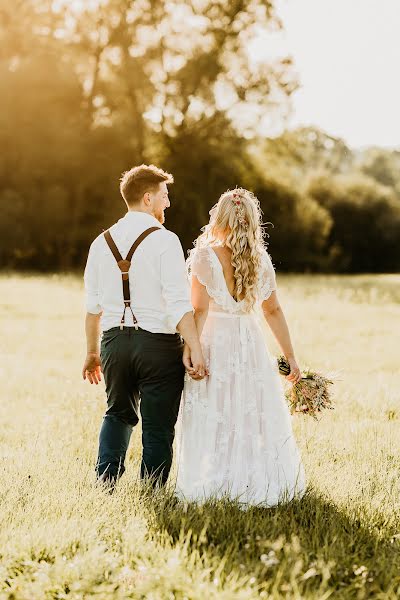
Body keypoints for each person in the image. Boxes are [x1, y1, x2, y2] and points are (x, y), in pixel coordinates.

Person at [176, 187, 306, 506]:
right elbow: (272, 310)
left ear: (218, 217)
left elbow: (199, 310)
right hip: (249, 342)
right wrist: (290, 357)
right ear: (251, 220)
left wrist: (191, 349)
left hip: (213, 341)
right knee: (250, 413)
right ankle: (251, 479)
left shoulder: (204, 256)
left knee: (213, 410)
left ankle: (213, 479)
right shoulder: (260, 259)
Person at [82, 164, 206, 487]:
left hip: (113, 344)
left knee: (117, 413)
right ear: (148, 198)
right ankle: (151, 493)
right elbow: (179, 305)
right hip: (158, 348)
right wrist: (195, 346)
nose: (168, 203)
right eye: (165, 196)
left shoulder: (100, 243)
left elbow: (92, 310)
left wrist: (92, 353)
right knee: (158, 427)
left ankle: (105, 483)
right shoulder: (166, 241)